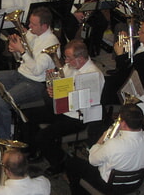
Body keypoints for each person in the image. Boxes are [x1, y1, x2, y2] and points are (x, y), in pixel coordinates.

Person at [0, 6, 59, 139]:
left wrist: (22, 51)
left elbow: (36, 70)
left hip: (36, 84)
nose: (29, 26)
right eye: (30, 22)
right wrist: (15, 49)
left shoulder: (51, 42)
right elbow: (21, 60)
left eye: (33, 24)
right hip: (20, 73)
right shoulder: (32, 33)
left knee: (1, 103)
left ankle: (4, 140)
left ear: (44, 26)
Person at [22, 39, 105, 175]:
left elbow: (86, 104)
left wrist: (61, 94)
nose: (66, 61)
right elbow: (62, 83)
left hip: (77, 117)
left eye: (69, 58)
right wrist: (53, 88)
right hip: (62, 109)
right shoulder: (71, 66)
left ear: (81, 58)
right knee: (26, 114)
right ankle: (32, 151)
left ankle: (59, 161)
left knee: (44, 136)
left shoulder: (93, 75)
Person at [65, 104, 144, 194]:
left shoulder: (113, 145)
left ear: (123, 124)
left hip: (111, 187)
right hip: (136, 183)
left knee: (72, 163)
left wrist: (103, 137)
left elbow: (92, 160)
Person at [102, 20, 144, 107]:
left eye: (141, 31)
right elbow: (130, 58)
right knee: (100, 80)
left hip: (133, 91)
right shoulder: (141, 43)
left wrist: (119, 55)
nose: (138, 32)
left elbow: (125, 72)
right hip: (127, 80)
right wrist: (126, 41)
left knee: (102, 88)